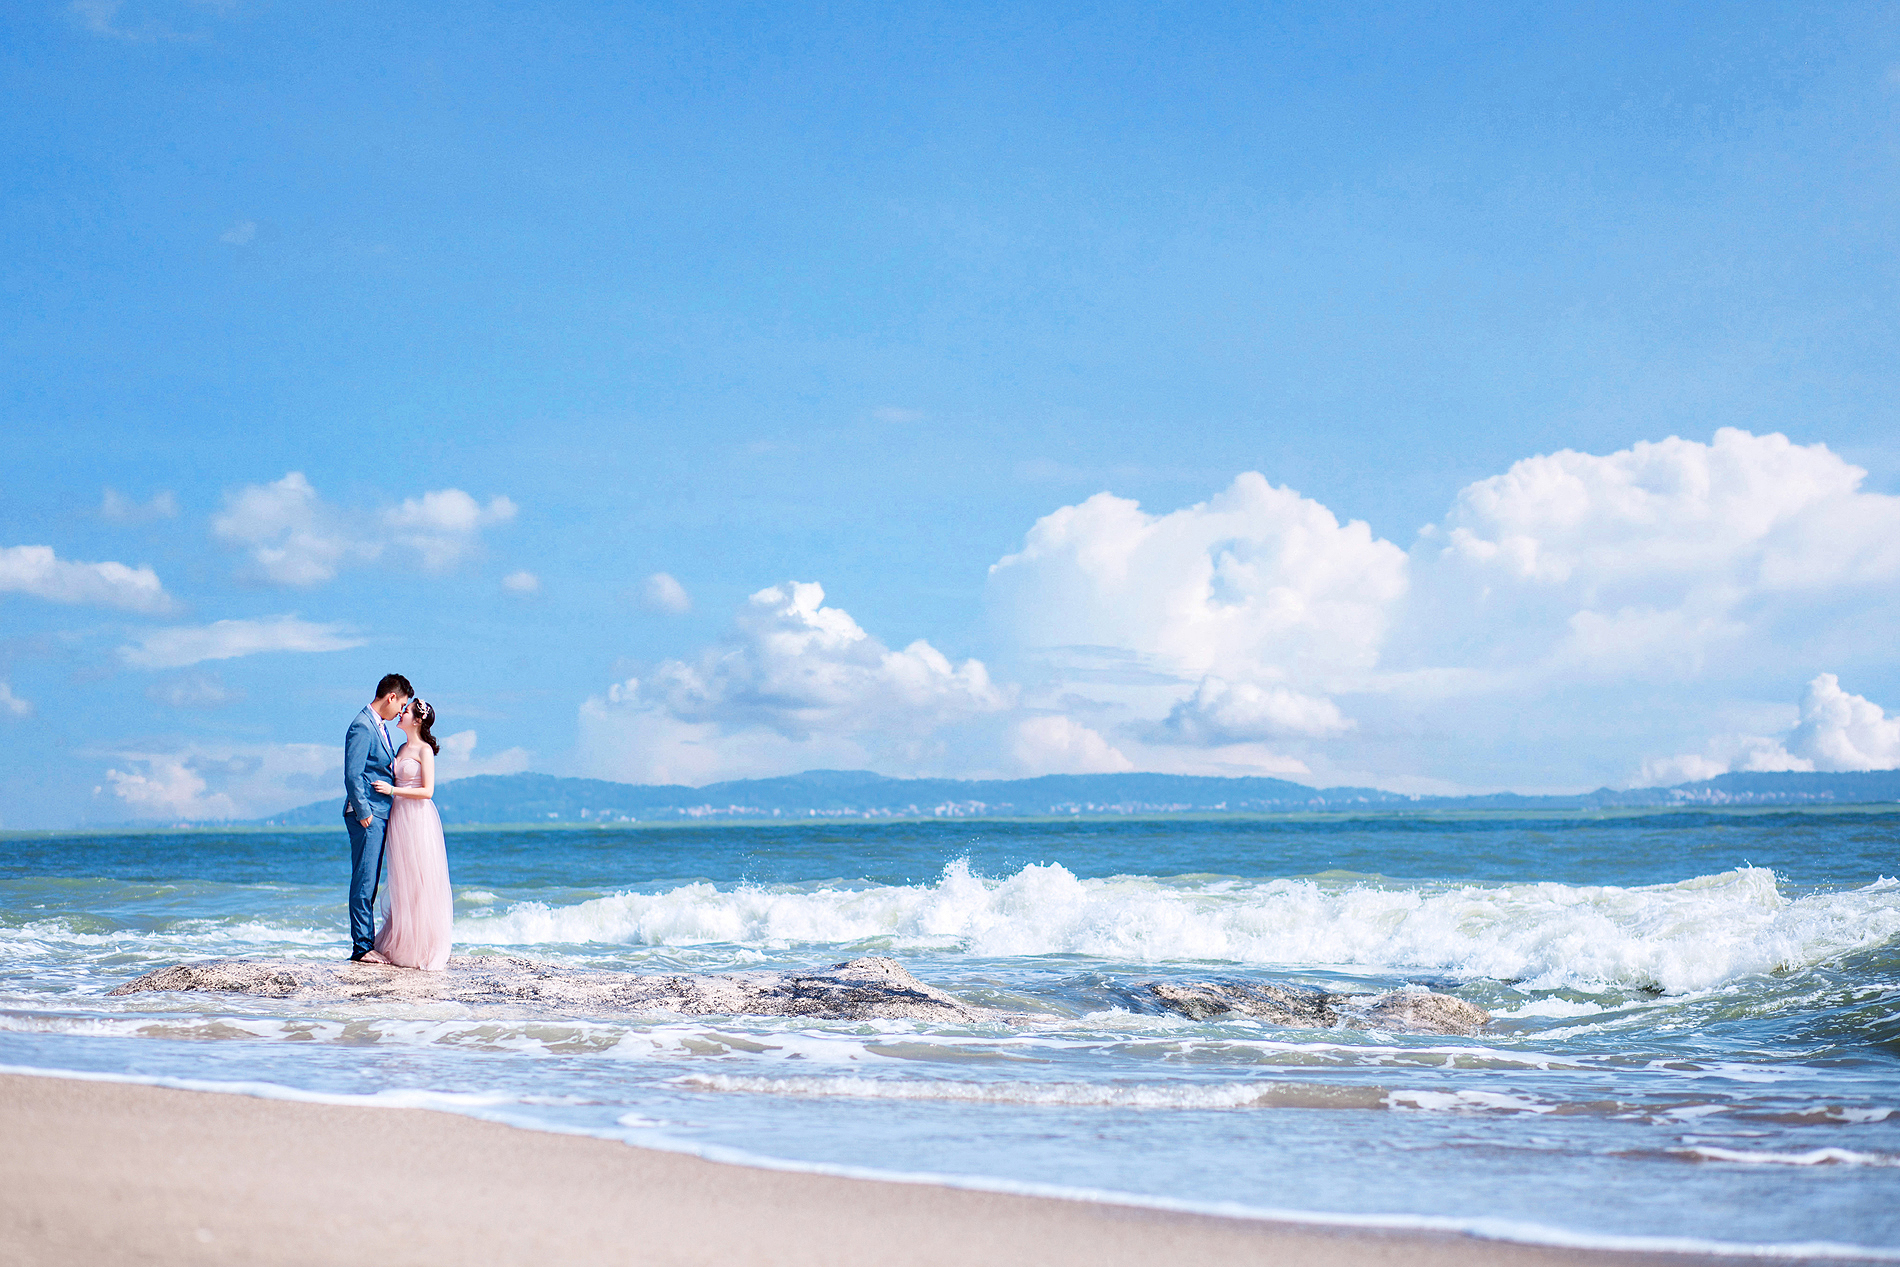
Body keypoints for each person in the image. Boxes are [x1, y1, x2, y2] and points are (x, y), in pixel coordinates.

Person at [362, 697, 454, 970]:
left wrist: (393, 790)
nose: (401, 713)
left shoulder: (424, 750)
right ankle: (401, 938)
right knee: (402, 879)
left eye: (407, 711)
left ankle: (421, 945)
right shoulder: (401, 747)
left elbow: (428, 791)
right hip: (399, 817)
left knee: (419, 878)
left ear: (417, 720)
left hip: (418, 818)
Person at [343, 674, 411, 961]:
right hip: (368, 815)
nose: (401, 711)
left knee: (369, 882)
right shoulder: (362, 726)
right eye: (402, 704)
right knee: (364, 881)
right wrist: (364, 813)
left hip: (380, 813)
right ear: (391, 697)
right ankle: (362, 948)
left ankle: (367, 942)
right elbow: (352, 774)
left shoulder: (379, 725)